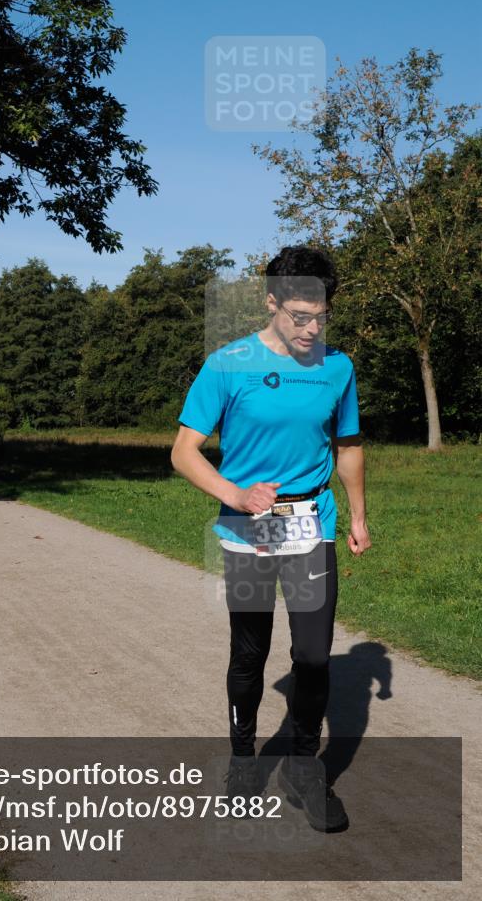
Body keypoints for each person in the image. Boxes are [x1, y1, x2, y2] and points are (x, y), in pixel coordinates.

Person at [171, 245, 371, 833]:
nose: (311, 328)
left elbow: (349, 446)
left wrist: (358, 516)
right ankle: (240, 760)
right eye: (299, 316)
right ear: (271, 303)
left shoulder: (339, 368)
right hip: (247, 529)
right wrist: (235, 495)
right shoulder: (227, 364)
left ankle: (304, 769)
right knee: (250, 653)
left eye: (320, 317)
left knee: (312, 655)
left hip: (314, 524)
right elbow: (184, 452)